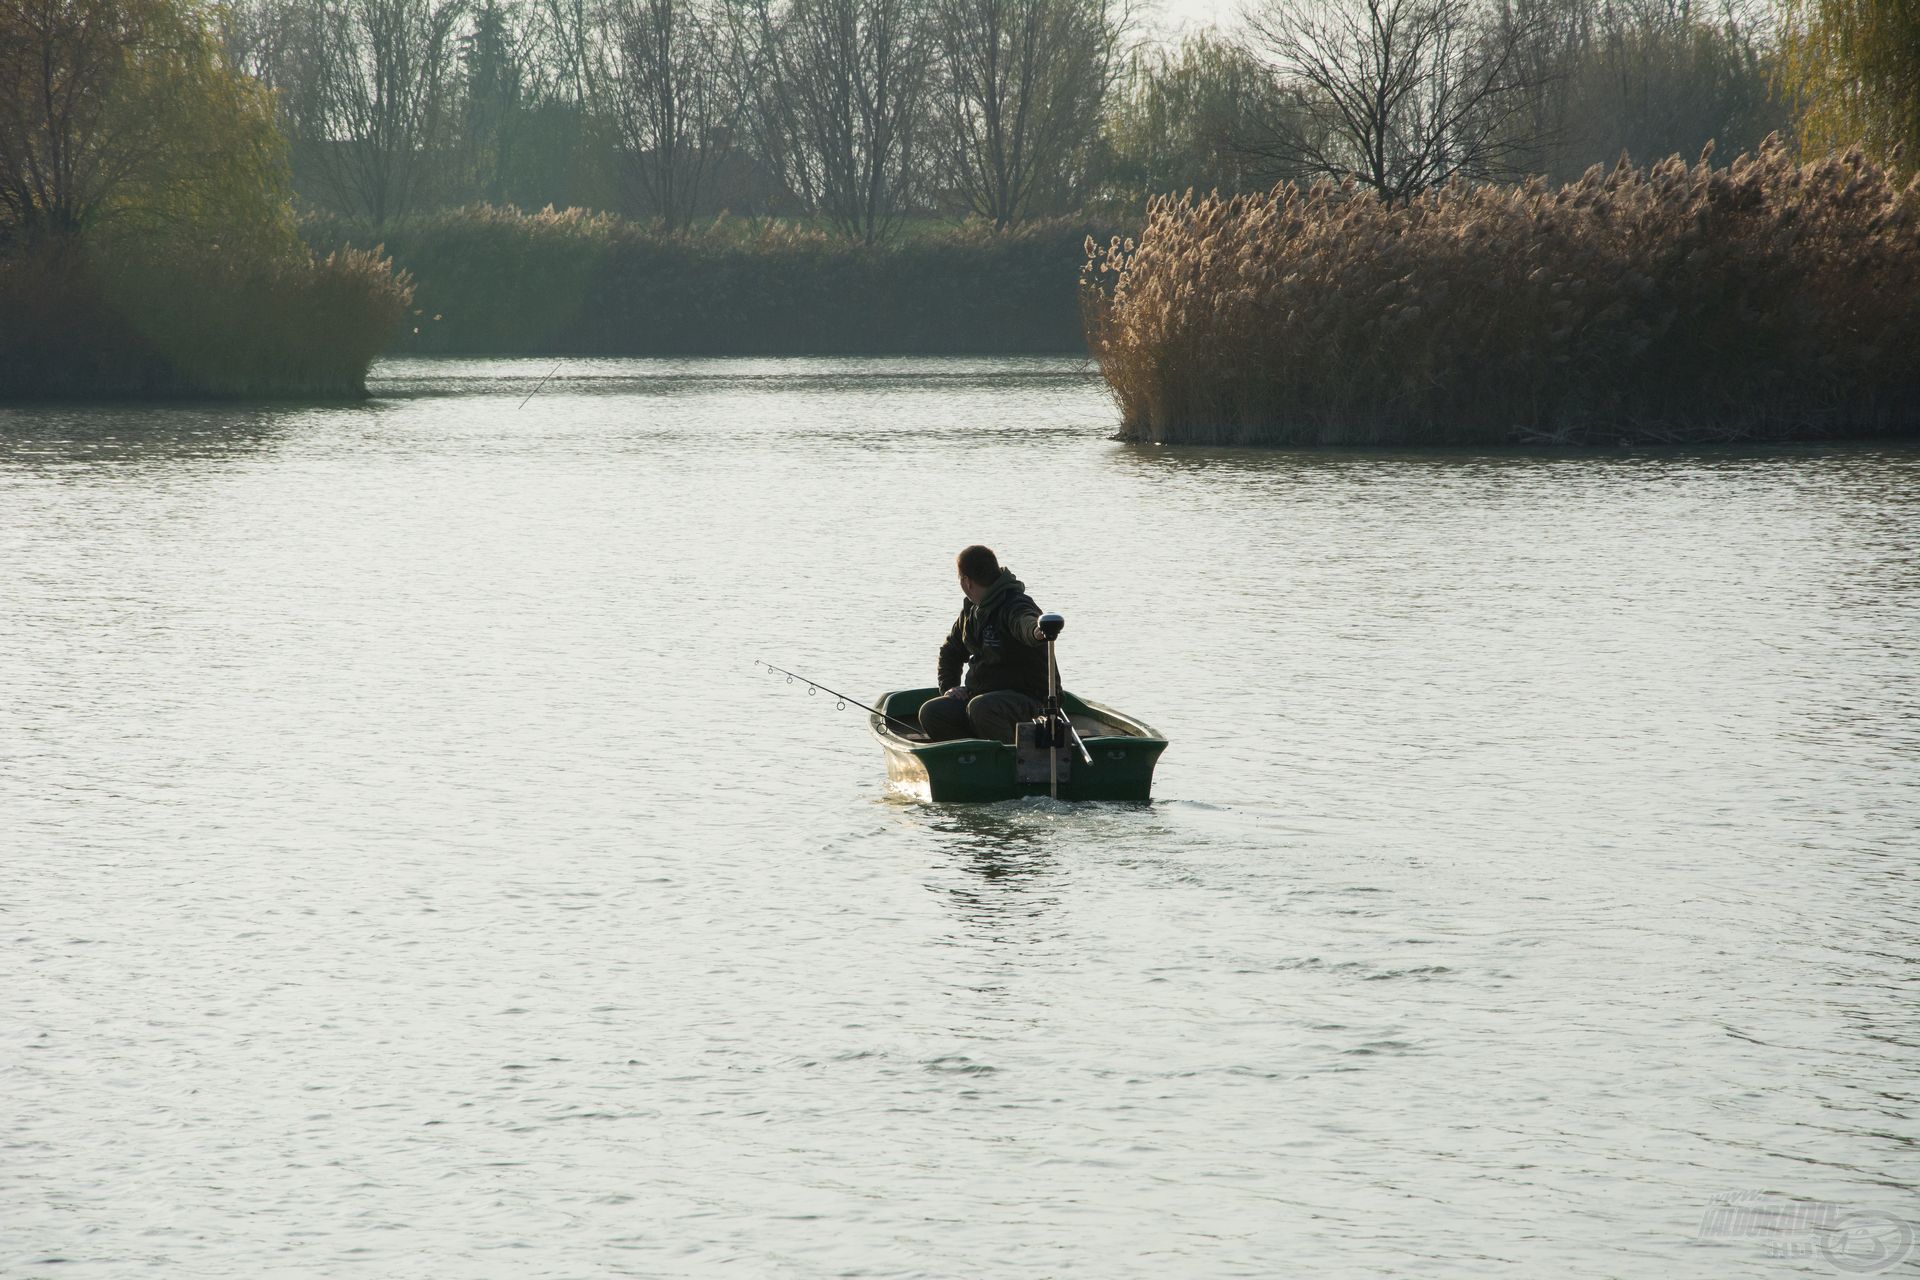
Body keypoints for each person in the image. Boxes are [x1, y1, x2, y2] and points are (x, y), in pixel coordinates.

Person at [920, 545, 1050, 742]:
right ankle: (974, 755)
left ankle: (1010, 759)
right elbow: (951, 651)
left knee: (981, 708)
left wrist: (1037, 631)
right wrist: (950, 688)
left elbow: (1024, 621)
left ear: (966, 582)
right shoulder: (971, 612)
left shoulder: (1014, 604)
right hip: (982, 697)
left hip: (1031, 700)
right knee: (932, 711)